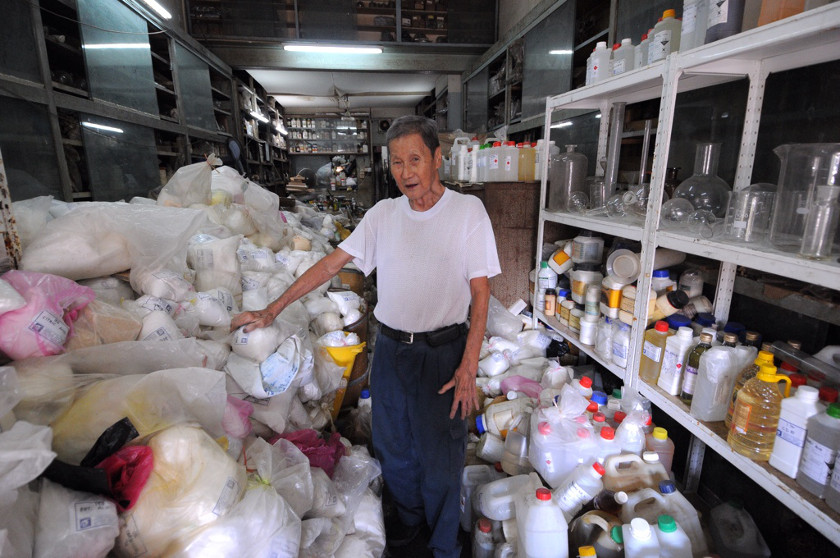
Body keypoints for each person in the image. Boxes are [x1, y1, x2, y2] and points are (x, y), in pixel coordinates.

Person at [231, 115, 500, 557]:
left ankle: (445, 543)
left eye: (415, 159)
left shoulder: (467, 212)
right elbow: (330, 265)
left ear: (437, 158)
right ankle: (410, 526)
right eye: (396, 162)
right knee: (394, 446)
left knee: (440, 455)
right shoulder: (382, 214)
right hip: (392, 350)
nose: (406, 171)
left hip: (443, 352)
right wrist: (271, 308)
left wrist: (469, 365)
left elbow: (481, 291)